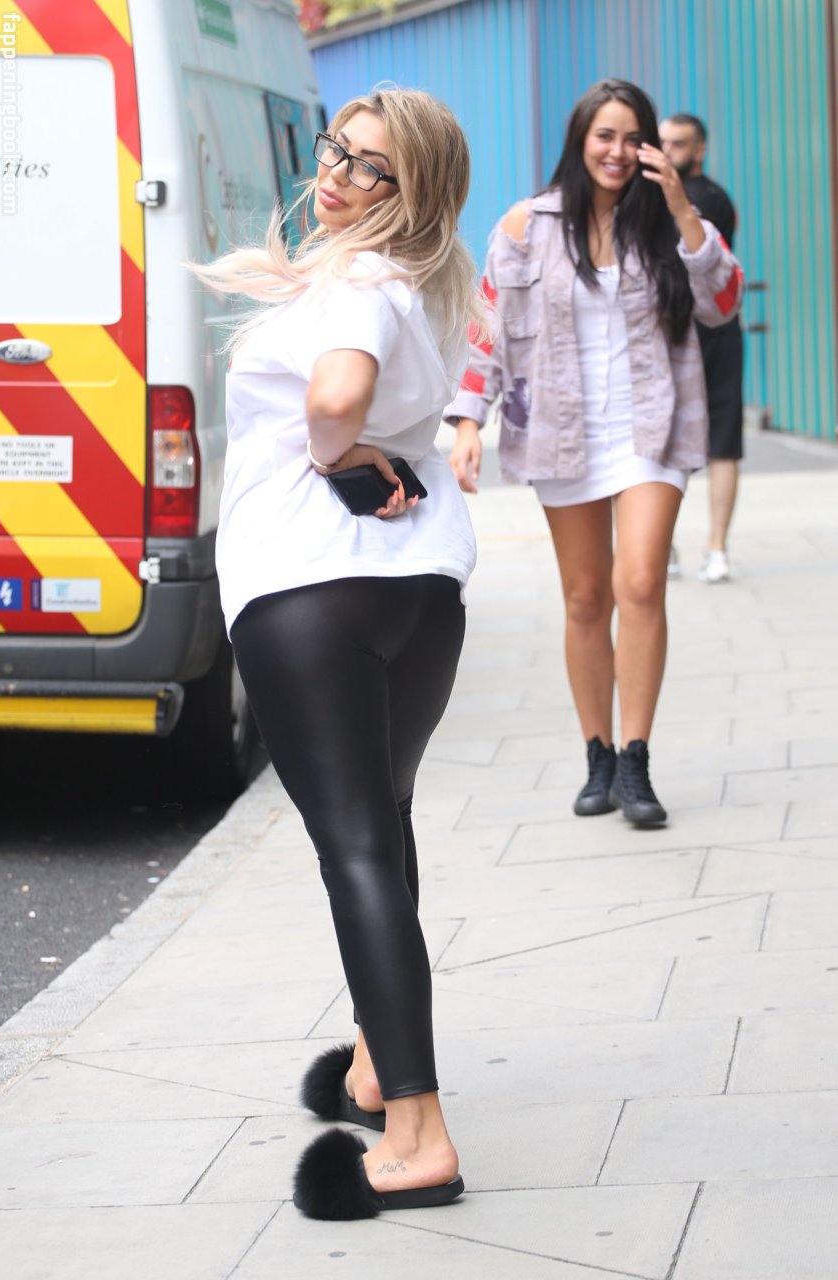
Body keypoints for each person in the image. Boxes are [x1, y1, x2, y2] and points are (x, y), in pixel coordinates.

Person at [197, 89, 488, 1221]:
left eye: (371, 168)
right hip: (419, 593)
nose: (336, 175)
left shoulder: (361, 280)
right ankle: (375, 1068)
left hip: (310, 589)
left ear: (410, 193)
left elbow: (335, 395)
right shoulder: (425, 284)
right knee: (385, 826)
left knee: (356, 849)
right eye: (337, 150)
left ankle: (415, 1138)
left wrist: (334, 451)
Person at [448, 79, 743, 827]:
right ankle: (598, 756)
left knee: (639, 581)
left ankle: (635, 762)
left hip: (652, 427)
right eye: (603, 135)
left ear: (650, 147)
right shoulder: (527, 225)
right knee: (585, 598)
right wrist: (467, 421)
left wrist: (681, 208)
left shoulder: (671, 221)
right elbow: (486, 323)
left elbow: (722, 302)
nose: (616, 151)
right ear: (580, 139)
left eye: (631, 137)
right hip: (559, 427)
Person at [660, 113, 744, 584]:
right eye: (663, 142)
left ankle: (717, 548)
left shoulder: (708, 199)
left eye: (679, 143)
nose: (668, 150)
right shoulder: (651, 196)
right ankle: (665, 545)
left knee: (723, 442)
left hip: (715, 332)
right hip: (669, 331)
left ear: (700, 149)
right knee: (661, 440)